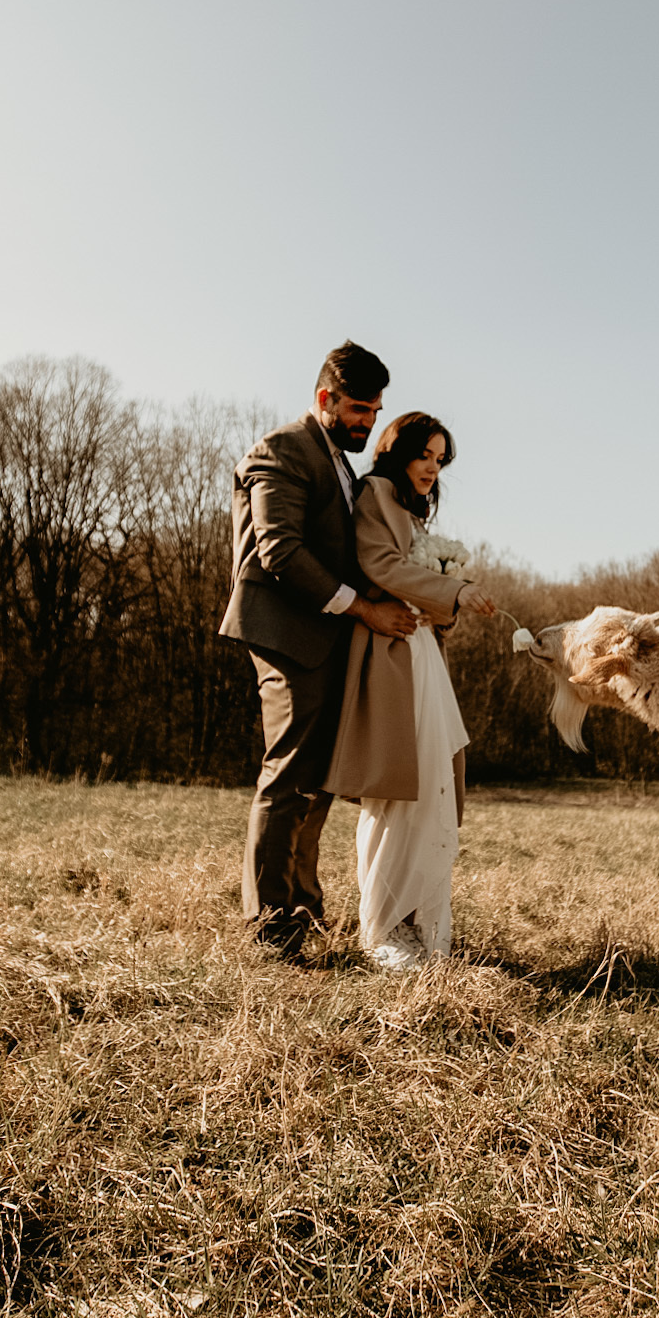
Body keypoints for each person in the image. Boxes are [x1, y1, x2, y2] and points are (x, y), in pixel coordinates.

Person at [218, 343, 419, 959]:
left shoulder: (340, 463)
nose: (368, 421)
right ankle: (269, 925)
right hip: (286, 635)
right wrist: (364, 609)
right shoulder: (281, 450)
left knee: (320, 781)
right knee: (288, 773)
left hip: (331, 638)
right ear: (325, 398)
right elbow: (280, 553)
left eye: (376, 410)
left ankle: (303, 904)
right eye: (359, 409)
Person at [324, 412, 499, 971]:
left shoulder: (414, 509)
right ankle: (382, 928)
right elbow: (379, 563)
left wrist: (444, 606)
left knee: (432, 788)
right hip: (390, 657)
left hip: (423, 656)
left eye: (440, 457)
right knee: (395, 791)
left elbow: (415, 586)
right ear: (398, 452)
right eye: (424, 454)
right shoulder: (377, 493)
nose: (432, 466)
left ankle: (422, 925)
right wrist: (453, 588)